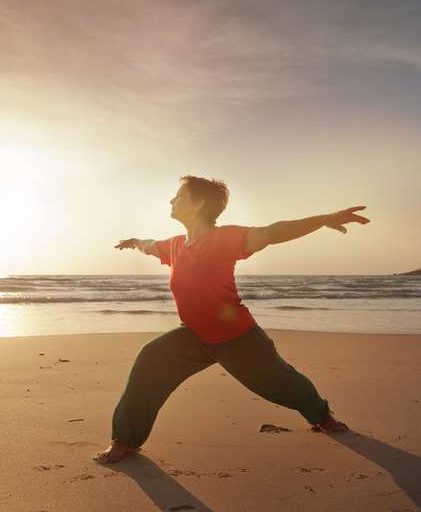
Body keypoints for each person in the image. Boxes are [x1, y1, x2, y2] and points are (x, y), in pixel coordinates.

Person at [94, 175, 370, 464]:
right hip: (192, 335)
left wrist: (324, 218)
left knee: (281, 384)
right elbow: (149, 244)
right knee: (150, 360)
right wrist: (134, 242)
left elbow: (272, 232)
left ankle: (322, 416)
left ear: (199, 203)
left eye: (178, 196)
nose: (172, 200)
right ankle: (125, 440)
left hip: (238, 339)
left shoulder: (224, 238)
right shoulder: (175, 245)